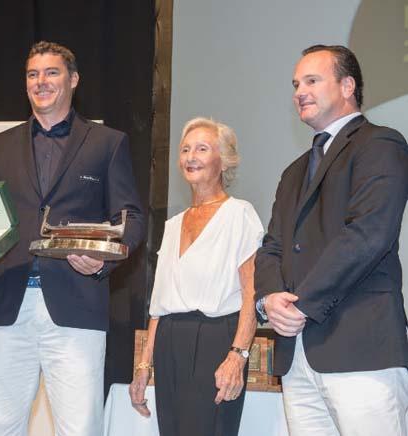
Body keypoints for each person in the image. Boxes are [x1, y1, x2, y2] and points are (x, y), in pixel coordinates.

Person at [0, 41, 145, 436]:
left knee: (80, 428)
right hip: (6, 304)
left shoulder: (106, 143)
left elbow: (130, 219)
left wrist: (105, 258)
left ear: (73, 80)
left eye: (51, 72)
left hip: (76, 305)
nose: (41, 81)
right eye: (33, 74)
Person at [255, 44, 408, 435]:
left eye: (311, 80)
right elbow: (272, 246)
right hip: (297, 357)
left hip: (361, 348)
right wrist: (269, 299)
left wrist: (302, 304)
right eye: (295, 84)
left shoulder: (380, 144)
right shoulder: (293, 172)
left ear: (347, 86)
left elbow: (369, 234)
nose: (298, 92)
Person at [129, 117, 263, 435]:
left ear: (224, 160)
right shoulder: (173, 224)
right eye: (185, 149)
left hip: (217, 340)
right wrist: (144, 365)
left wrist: (237, 356)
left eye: (202, 149)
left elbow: (252, 294)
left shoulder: (239, 214)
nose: (191, 157)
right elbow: (160, 304)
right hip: (170, 342)